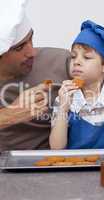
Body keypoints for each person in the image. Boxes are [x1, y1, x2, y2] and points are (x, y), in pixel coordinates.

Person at [49, 20, 104, 155]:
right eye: (73, 57)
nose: (76, 62)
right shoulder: (64, 98)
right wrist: (63, 108)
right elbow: (56, 148)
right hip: (74, 168)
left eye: (86, 57)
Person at [0, 0, 70, 151]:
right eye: (19, 47)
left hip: (56, 167)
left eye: (31, 38)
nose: (32, 52)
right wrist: (7, 116)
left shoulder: (62, 62)